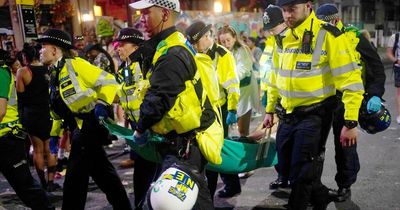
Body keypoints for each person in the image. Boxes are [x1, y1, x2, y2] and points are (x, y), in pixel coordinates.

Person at [263, 0, 365, 209]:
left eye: (292, 9)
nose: (287, 15)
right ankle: (320, 196)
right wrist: (269, 109)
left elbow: (351, 81)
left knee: (302, 171)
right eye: (284, 10)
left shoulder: (328, 35)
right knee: (284, 166)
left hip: (315, 114)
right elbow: (275, 77)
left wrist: (351, 122)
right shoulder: (282, 38)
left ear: (308, 6)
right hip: (287, 114)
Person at [130, 0, 221, 209]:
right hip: (180, 145)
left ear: (164, 14)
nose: (140, 19)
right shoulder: (168, 46)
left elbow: (158, 98)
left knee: (165, 203)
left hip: (184, 147)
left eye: (146, 13)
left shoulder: (172, 53)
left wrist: (140, 129)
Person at [37, 28, 132, 210]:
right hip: (77, 130)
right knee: (103, 174)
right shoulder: (54, 74)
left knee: (74, 180)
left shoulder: (75, 65)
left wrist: (101, 104)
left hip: (89, 126)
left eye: (43, 47)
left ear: (55, 50)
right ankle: (124, 207)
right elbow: (58, 109)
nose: (40, 51)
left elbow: (109, 81)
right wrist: (55, 135)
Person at [316, 3, 386, 202]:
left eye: (328, 24)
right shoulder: (315, 39)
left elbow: (376, 68)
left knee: (345, 145)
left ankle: (345, 185)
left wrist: (374, 94)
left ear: (337, 20)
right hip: (321, 100)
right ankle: (313, 185)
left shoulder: (355, 38)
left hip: (346, 100)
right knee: (314, 145)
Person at [185, 21, 240, 199]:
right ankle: (231, 185)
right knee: (211, 148)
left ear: (207, 37)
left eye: (195, 42)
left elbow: (232, 85)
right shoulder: (195, 54)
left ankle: (214, 189)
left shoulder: (223, 55)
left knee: (215, 149)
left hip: (219, 110)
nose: (193, 46)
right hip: (200, 110)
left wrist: (232, 109)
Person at [0, 49, 54, 210]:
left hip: (8, 138)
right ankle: (48, 183)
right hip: (43, 113)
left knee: (26, 185)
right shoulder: (43, 70)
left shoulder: (5, 72)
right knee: (46, 150)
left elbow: (2, 111)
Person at [114, 27, 159, 210]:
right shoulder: (126, 66)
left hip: (152, 127)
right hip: (138, 127)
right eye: (118, 44)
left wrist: (144, 125)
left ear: (135, 46)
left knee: (154, 173)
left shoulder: (145, 63)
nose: (118, 48)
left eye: (122, 44)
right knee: (142, 173)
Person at [215, 25, 258, 198]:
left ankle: (248, 165)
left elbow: (243, 71)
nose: (226, 44)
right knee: (233, 133)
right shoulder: (220, 52)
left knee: (242, 131)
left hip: (244, 94)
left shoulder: (243, 51)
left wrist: (224, 77)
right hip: (231, 95)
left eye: (228, 40)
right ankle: (240, 163)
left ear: (234, 38)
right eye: (222, 41)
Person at [16, 43, 61, 192]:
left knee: (37, 150)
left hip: (31, 114)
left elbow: (20, 97)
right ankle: (51, 181)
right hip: (48, 113)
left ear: (24, 56)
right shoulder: (48, 69)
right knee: (50, 148)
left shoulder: (23, 72)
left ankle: (42, 183)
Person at [260, 5, 290, 191]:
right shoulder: (273, 42)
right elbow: (272, 77)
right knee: (282, 144)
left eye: (272, 28)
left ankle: (299, 184)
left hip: (301, 104)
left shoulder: (293, 41)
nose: (270, 33)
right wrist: (269, 108)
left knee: (299, 150)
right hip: (276, 99)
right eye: (268, 30)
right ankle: (282, 175)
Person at [386, 30, 400, 123]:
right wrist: (396, 61)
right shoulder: (395, 37)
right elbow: (389, 53)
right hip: (399, 67)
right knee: (399, 92)